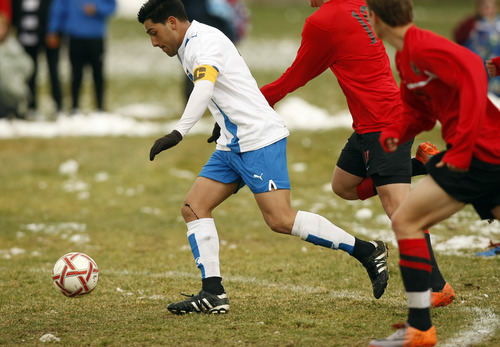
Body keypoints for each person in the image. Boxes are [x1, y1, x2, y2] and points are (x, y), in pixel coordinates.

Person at [137, 0, 390, 315]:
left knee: (280, 219)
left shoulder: (204, 43)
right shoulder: (190, 43)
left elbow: (203, 88)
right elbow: (231, 86)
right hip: (233, 142)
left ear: (172, 22)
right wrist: (223, 120)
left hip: (258, 139)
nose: (154, 42)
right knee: (193, 207)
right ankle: (213, 293)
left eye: (154, 33)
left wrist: (178, 132)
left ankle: (368, 251)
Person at [259, 0, 454, 308]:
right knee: (344, 185)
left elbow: (295, 76)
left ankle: (437, 285)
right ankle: (424, 165)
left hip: (385, 125)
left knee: (401, 211)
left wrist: (251, 103)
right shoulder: (360, 5)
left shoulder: (322, 21)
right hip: (371, 124)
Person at [365, 0, 500, 345]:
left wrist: (464, 150)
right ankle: (419, 328)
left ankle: (420, 329)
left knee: (406, 221)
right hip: (488, 152)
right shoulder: (405, 56)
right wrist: (398, 131)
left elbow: (472, 68)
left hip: (478, 154)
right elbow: (422, 114)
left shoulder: (422, 46)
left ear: (375, 18)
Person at [46, 0, 116, 114]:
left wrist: (96, 8)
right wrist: (53, 30)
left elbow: (112, 7)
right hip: (75, 37)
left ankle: (100, 108)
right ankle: (74, 108)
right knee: (76, 74)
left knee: (98, 73)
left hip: (96, 37)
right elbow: (58, 9)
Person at [180, 0, 248, 103]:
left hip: (215, 29)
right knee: (197, 73)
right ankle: (194, 105)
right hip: (202, 29)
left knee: (222, 74)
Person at [12, 0, 63, 118]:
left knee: (53, 71)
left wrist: (54, 31)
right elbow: (16, 13)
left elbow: (56, 10)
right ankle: (31, 106)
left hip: (49, 35)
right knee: (30, 73)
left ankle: (58, 105)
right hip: (27, 38)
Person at [453, 0, 500, 96]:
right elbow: (458, 38)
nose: (486, 9)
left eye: (489, 7)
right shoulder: (472, 23)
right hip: (477, 66)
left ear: (496, 8)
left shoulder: (498, 23)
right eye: (483, 6)